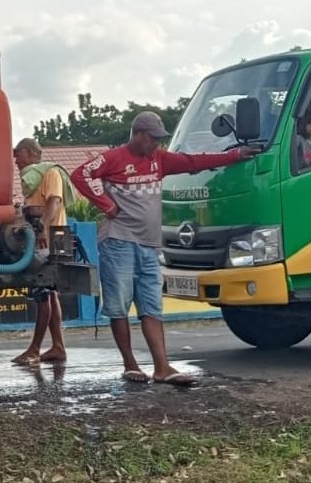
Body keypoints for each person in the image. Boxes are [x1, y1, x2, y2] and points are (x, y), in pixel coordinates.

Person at [71, 111, 257, 386]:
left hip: (149, 246)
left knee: (151, 307)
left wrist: (234, 155)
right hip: (118, 242)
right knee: (119, 305)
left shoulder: (159, 160)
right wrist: (106, 205)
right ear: (137, 134)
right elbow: (80, 174)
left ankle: (162, 367)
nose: (157, 144)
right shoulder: (114, 158)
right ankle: (130, 364)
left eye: (160, 139)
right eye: (153, 138)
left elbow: (194, 161)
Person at [11, 138, 72, 365]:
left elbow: (54, 204)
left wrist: (43, 232)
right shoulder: (32, 179)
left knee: (43, 294)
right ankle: (57, 346)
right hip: (50, 236)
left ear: (30, 153)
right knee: (50, 294)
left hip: (56, 237)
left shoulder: (50, 174)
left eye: (18, 155)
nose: (16, 160)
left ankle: (34, 349)